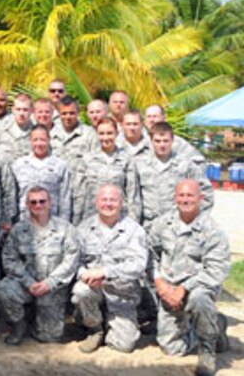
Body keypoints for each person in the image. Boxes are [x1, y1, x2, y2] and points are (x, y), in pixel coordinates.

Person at [149, 179, 230, 375]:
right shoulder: (162, 224)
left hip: (198, 287)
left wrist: (184, 288)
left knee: (199, 299)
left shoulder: (212, 230)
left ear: (200, 198)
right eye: (181, 195)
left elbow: (216, 269)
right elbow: (149, 256)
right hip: (168, 289)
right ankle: (215, 325)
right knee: (172, 348)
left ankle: (207, 349)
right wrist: (160, 284)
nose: (185, 200)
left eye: (190, 196)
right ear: (175, 197)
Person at [0, 187, 79, 345]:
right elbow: (9, 259)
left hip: (52, 288)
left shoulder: (65, 229)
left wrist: (49, 283)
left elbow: (71, 260)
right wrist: (29, 282)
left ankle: (36, 318)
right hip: (26, 285)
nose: (38, 205)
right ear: (27, 205)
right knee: (3, 291)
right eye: (33, 202)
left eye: (42, 201)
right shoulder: (18, 229)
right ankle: (18, 323)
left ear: (50, 203)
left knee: (49, 337)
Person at [71, 184, 147, 354]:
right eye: (104, 199)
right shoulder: (83, 229)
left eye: (113, 200)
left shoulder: (134, 230)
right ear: (97, 202)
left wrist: (105, 273)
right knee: (81, 291)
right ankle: (95, 329)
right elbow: (74, 262)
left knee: (124, 346)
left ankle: (111, 323)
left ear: (121, 203)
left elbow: (138, 265)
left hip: (121, 295)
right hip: (93, 289)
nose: (108, 204)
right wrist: (85, 275)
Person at [135, 122, 212, 226]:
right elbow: (132, 196)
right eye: (157, 141)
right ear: (151, 141)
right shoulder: (139, 164)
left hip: (176, 225)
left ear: (172, 141)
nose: (162, 145)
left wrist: (194, 218)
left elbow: (206, 192)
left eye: (165, 141)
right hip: (148, 224)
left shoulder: (186, 164)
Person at [78, 118, 141, 223]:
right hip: (92, 218)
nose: (106, 137)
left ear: (117, 134)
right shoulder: (87, 160)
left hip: (120, 219)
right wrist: (77, 223)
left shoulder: (127, 159)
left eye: (110, 133)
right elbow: (79, 195)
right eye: (101, 134)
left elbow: (133, 195)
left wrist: (133, 223)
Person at [50, 95, 98, 223]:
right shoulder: (50, 135)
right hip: (56, 195)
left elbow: (96, 167)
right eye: (64, 113)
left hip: (82, 197)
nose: (68, 117)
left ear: (78, 113)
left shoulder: (89, 135)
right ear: (59, 113)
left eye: (71, 113)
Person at [12, 125, 72, 222]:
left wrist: (64, 224)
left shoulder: (60, 165)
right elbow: (12, 197)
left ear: (49, 140)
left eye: (43, 140)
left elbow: (65, 199)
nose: (39, 144)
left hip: (52, 221)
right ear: (30, 141)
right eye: (35, 140)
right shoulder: (18, 165)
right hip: (24, 221)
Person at [0, 93, 33, 160]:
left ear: (31, 110)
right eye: (18, 109)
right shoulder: (1, 129)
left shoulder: (37, 132)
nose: (21, 113)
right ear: (13, 110)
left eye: (25, 110)